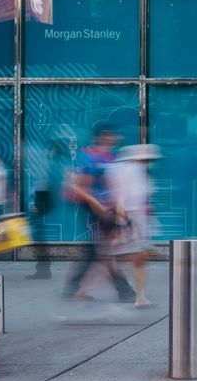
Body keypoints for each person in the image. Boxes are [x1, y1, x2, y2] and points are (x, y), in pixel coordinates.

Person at [63, 124, 136, 303]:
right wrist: (100, 208)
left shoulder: (107, 156)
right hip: (96, 209)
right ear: (103, 136)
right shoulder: (90, 157)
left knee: (102, 250)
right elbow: (82, 188)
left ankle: (77, 288)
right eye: (113, 135)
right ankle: (123, 289)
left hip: (106, 208)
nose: (117, 138)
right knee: (103, 250)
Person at [106, 144, 160, 309]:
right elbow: (121, 201)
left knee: (123, 259)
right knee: (136, 260)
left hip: (130, 221)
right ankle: (139, 296)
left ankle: (138, 295)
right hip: (131, 222)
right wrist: (128, 223)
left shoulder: (122, 170)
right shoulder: (132, 172)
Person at [28, 135, 68, 279]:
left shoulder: (52, 163)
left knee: (38, 233)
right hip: (43, 199)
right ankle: (43, 267)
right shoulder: (54, 162)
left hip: (43, 198)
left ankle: (43, 268)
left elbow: (42, 183)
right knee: (38, 233)